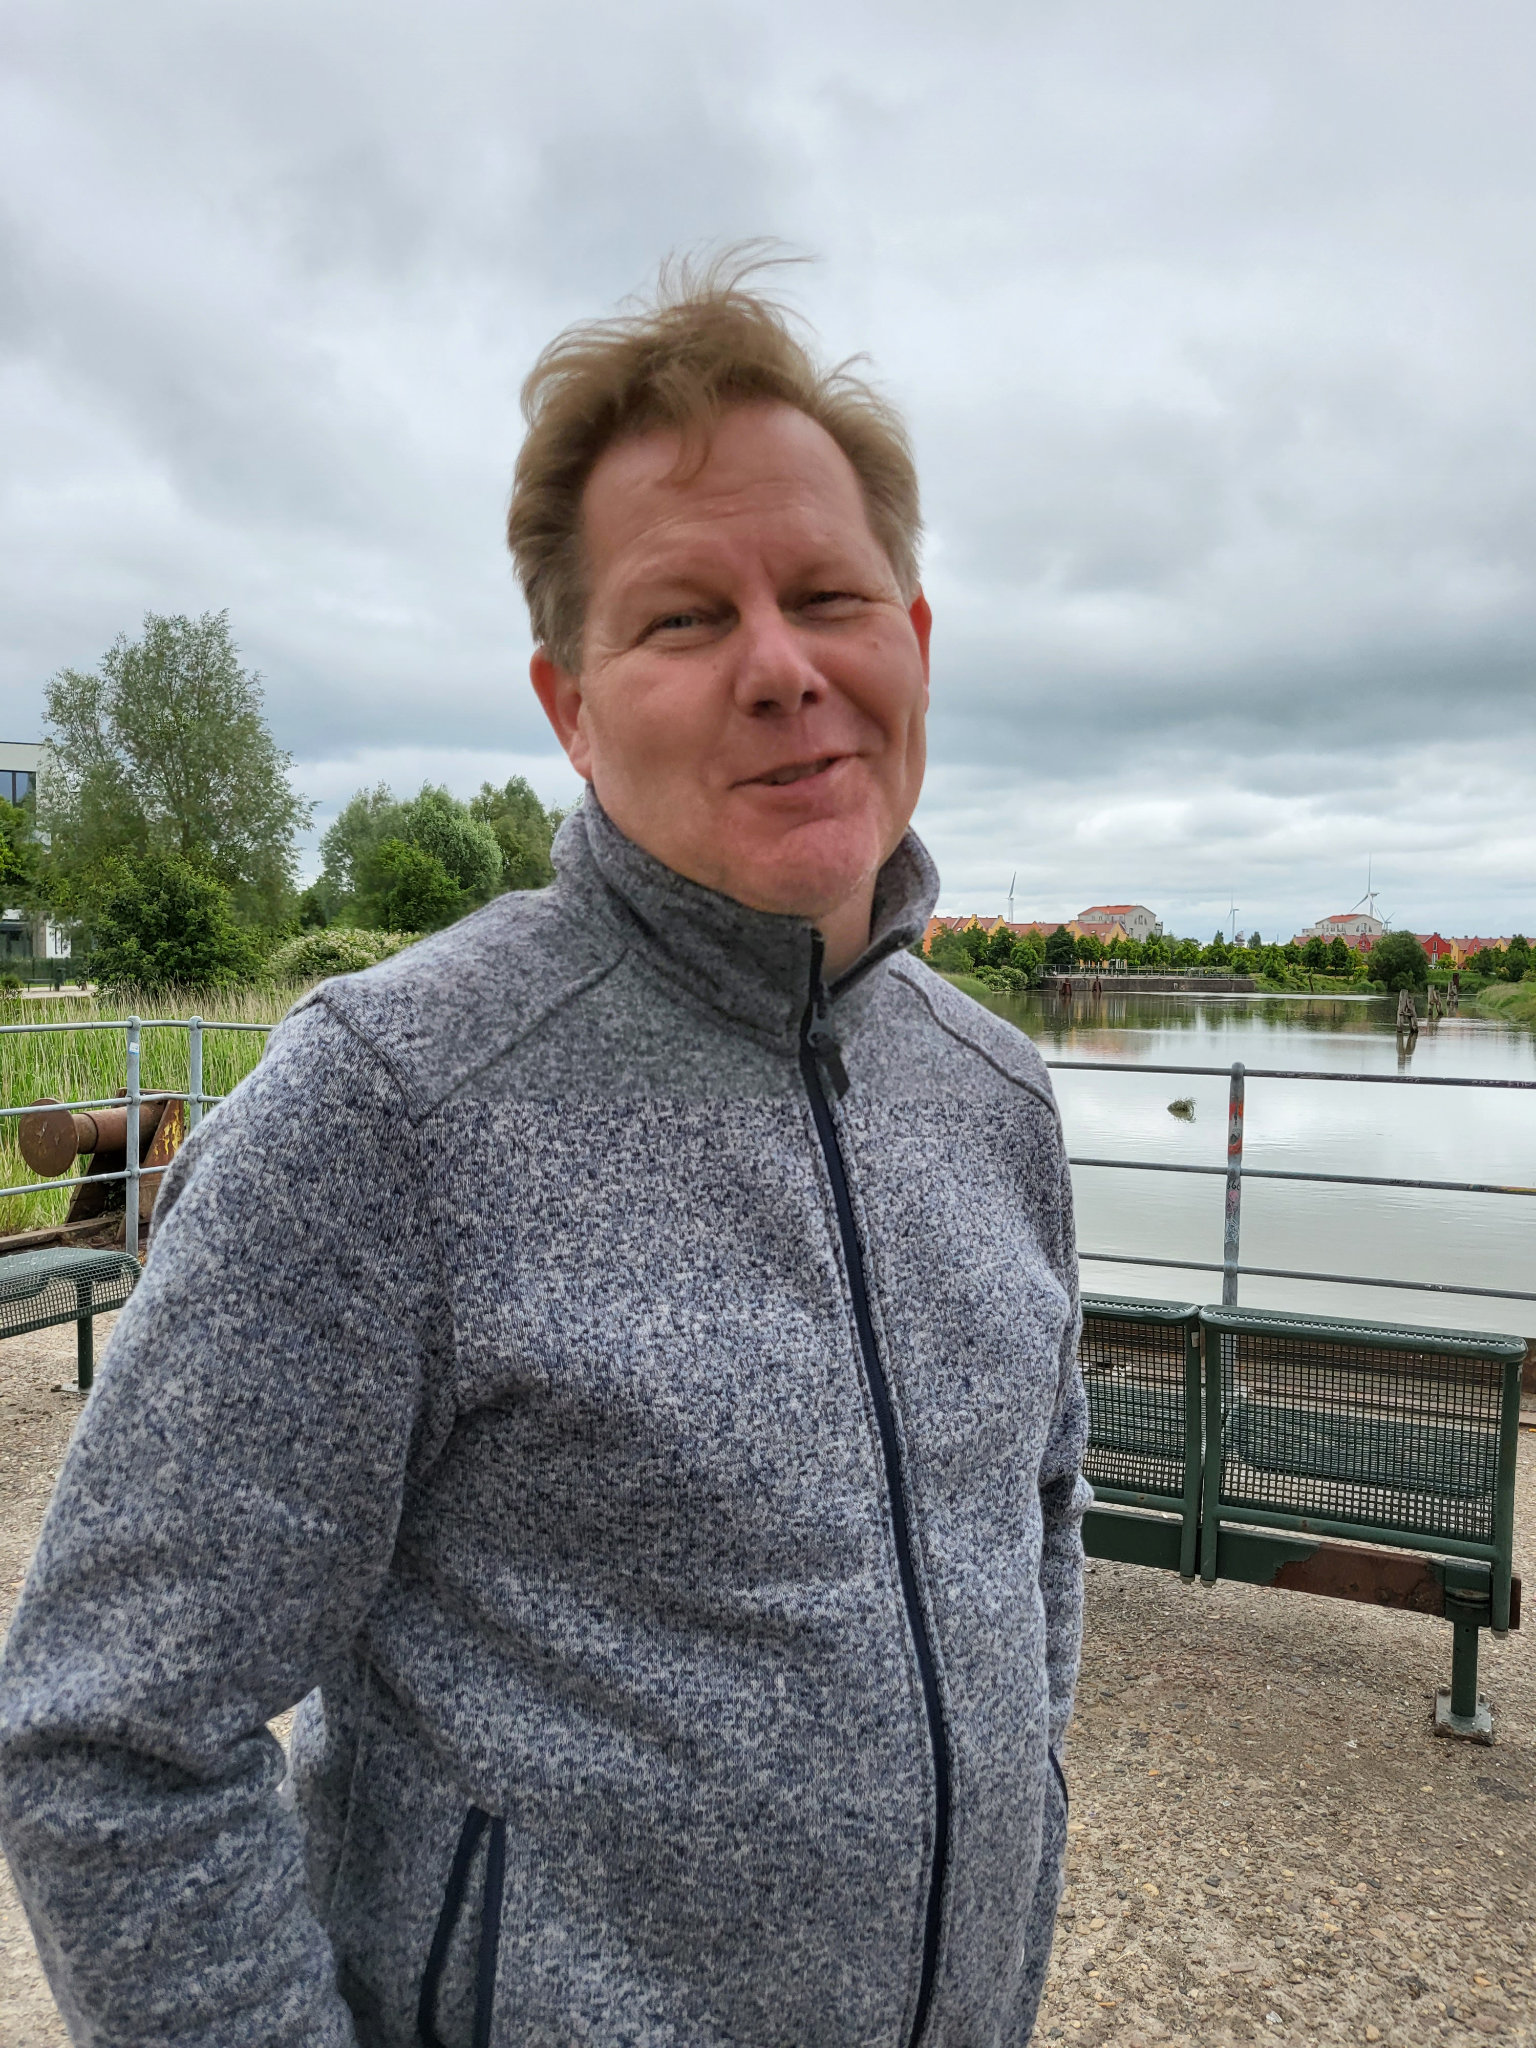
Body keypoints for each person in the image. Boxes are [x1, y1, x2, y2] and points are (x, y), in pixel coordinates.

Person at [0, 256, 1089, 2048]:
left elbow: (1033, 1529)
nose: (783, 669)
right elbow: (112, 1737)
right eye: (684, 619)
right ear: (568, 707)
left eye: (830, 596)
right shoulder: (384, 1110)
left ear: (914, 637)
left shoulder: (997, 1097)